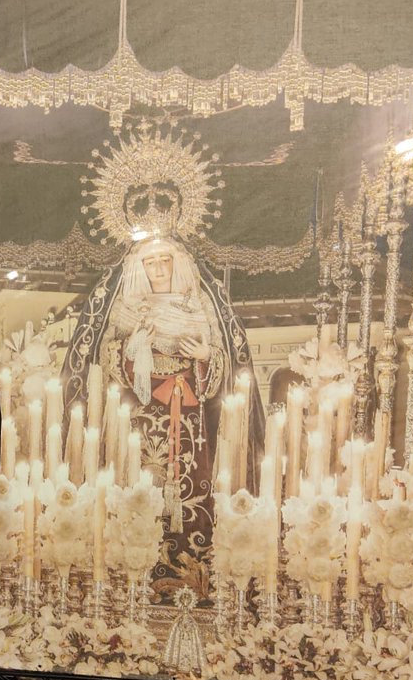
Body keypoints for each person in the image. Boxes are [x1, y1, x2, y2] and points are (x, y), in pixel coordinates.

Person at [64, 233, 264, 571]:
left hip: (190, 418)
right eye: (150, 262)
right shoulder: (127, 308)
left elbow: (222, 364)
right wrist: (135, 350)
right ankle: (135, 564)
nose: (157, 268)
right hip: (141, 417)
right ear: (140, 267)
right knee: (138, 485)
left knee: (194, 485)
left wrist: (204, 357)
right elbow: (107, 360)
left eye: (164, 260)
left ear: (178, 263)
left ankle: (194, 563)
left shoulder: (200, 305)